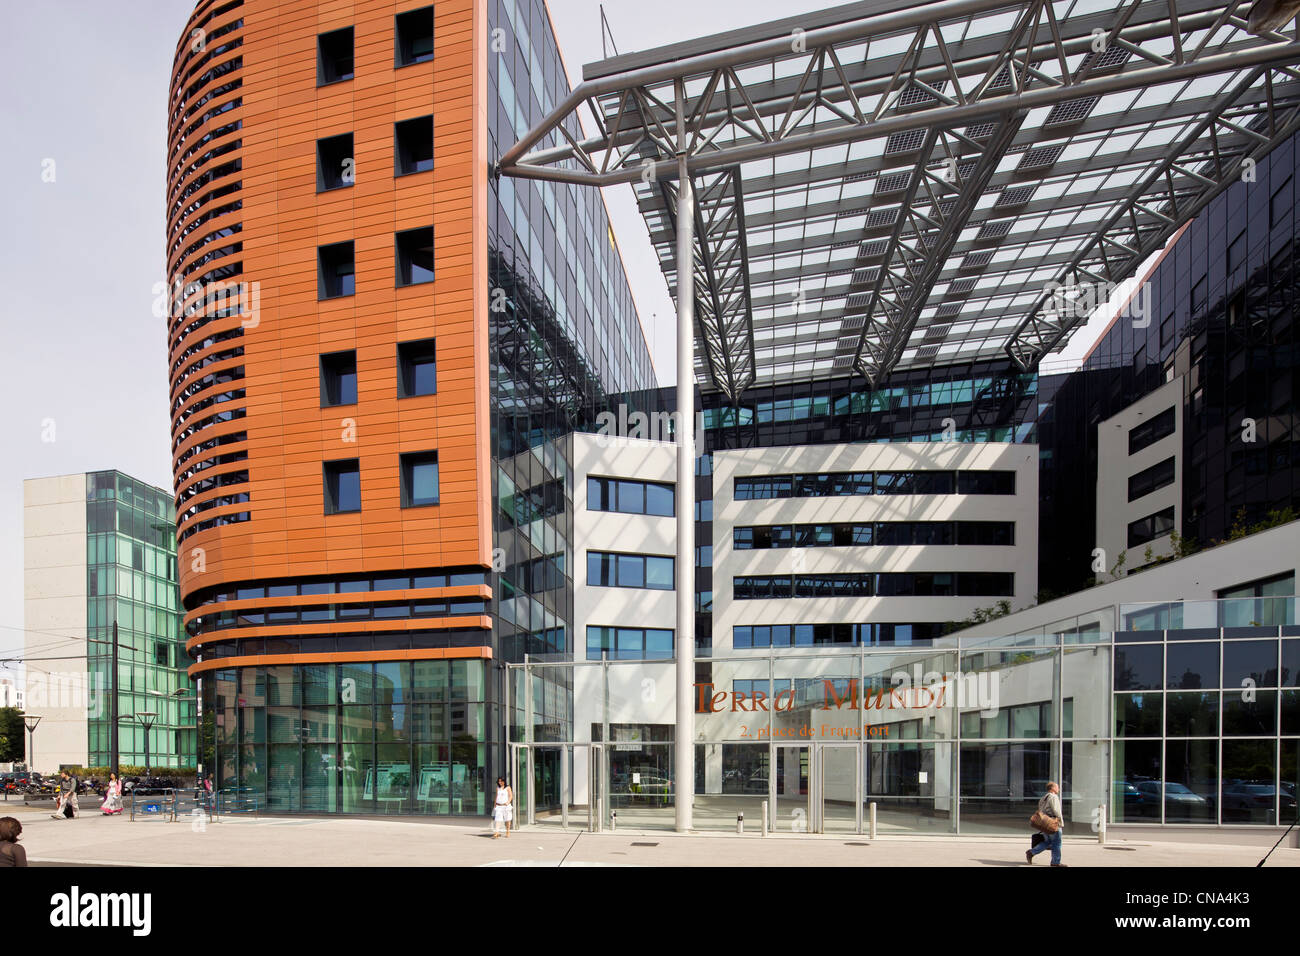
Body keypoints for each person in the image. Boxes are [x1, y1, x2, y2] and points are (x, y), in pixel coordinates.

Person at [1026, 781, 1067, 866]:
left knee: (1048, 841)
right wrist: (1061, 822)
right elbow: (1057, 811)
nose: (1059, 789)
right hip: (1053, 822)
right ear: (1052, 788)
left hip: (1044, 823)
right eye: (1057, 787)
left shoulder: (1043, 798)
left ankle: (1031, 852)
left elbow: (1040, 811)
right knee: (1056, 843)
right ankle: (1055, 862)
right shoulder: (1053, 797)